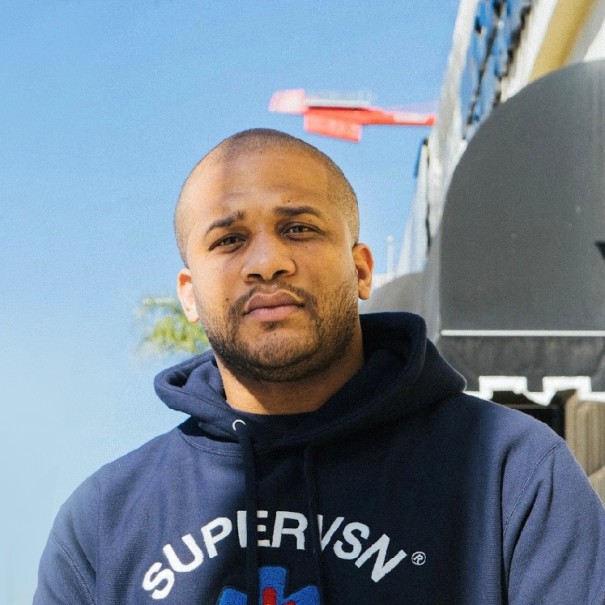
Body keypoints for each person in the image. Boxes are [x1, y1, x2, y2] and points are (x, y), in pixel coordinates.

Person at [35, 128, 605, 604]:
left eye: (298, 228)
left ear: (361, 270)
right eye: (230, 239)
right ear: (188, 296)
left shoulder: (513, 470)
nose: (267, 262)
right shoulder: (104, 525)